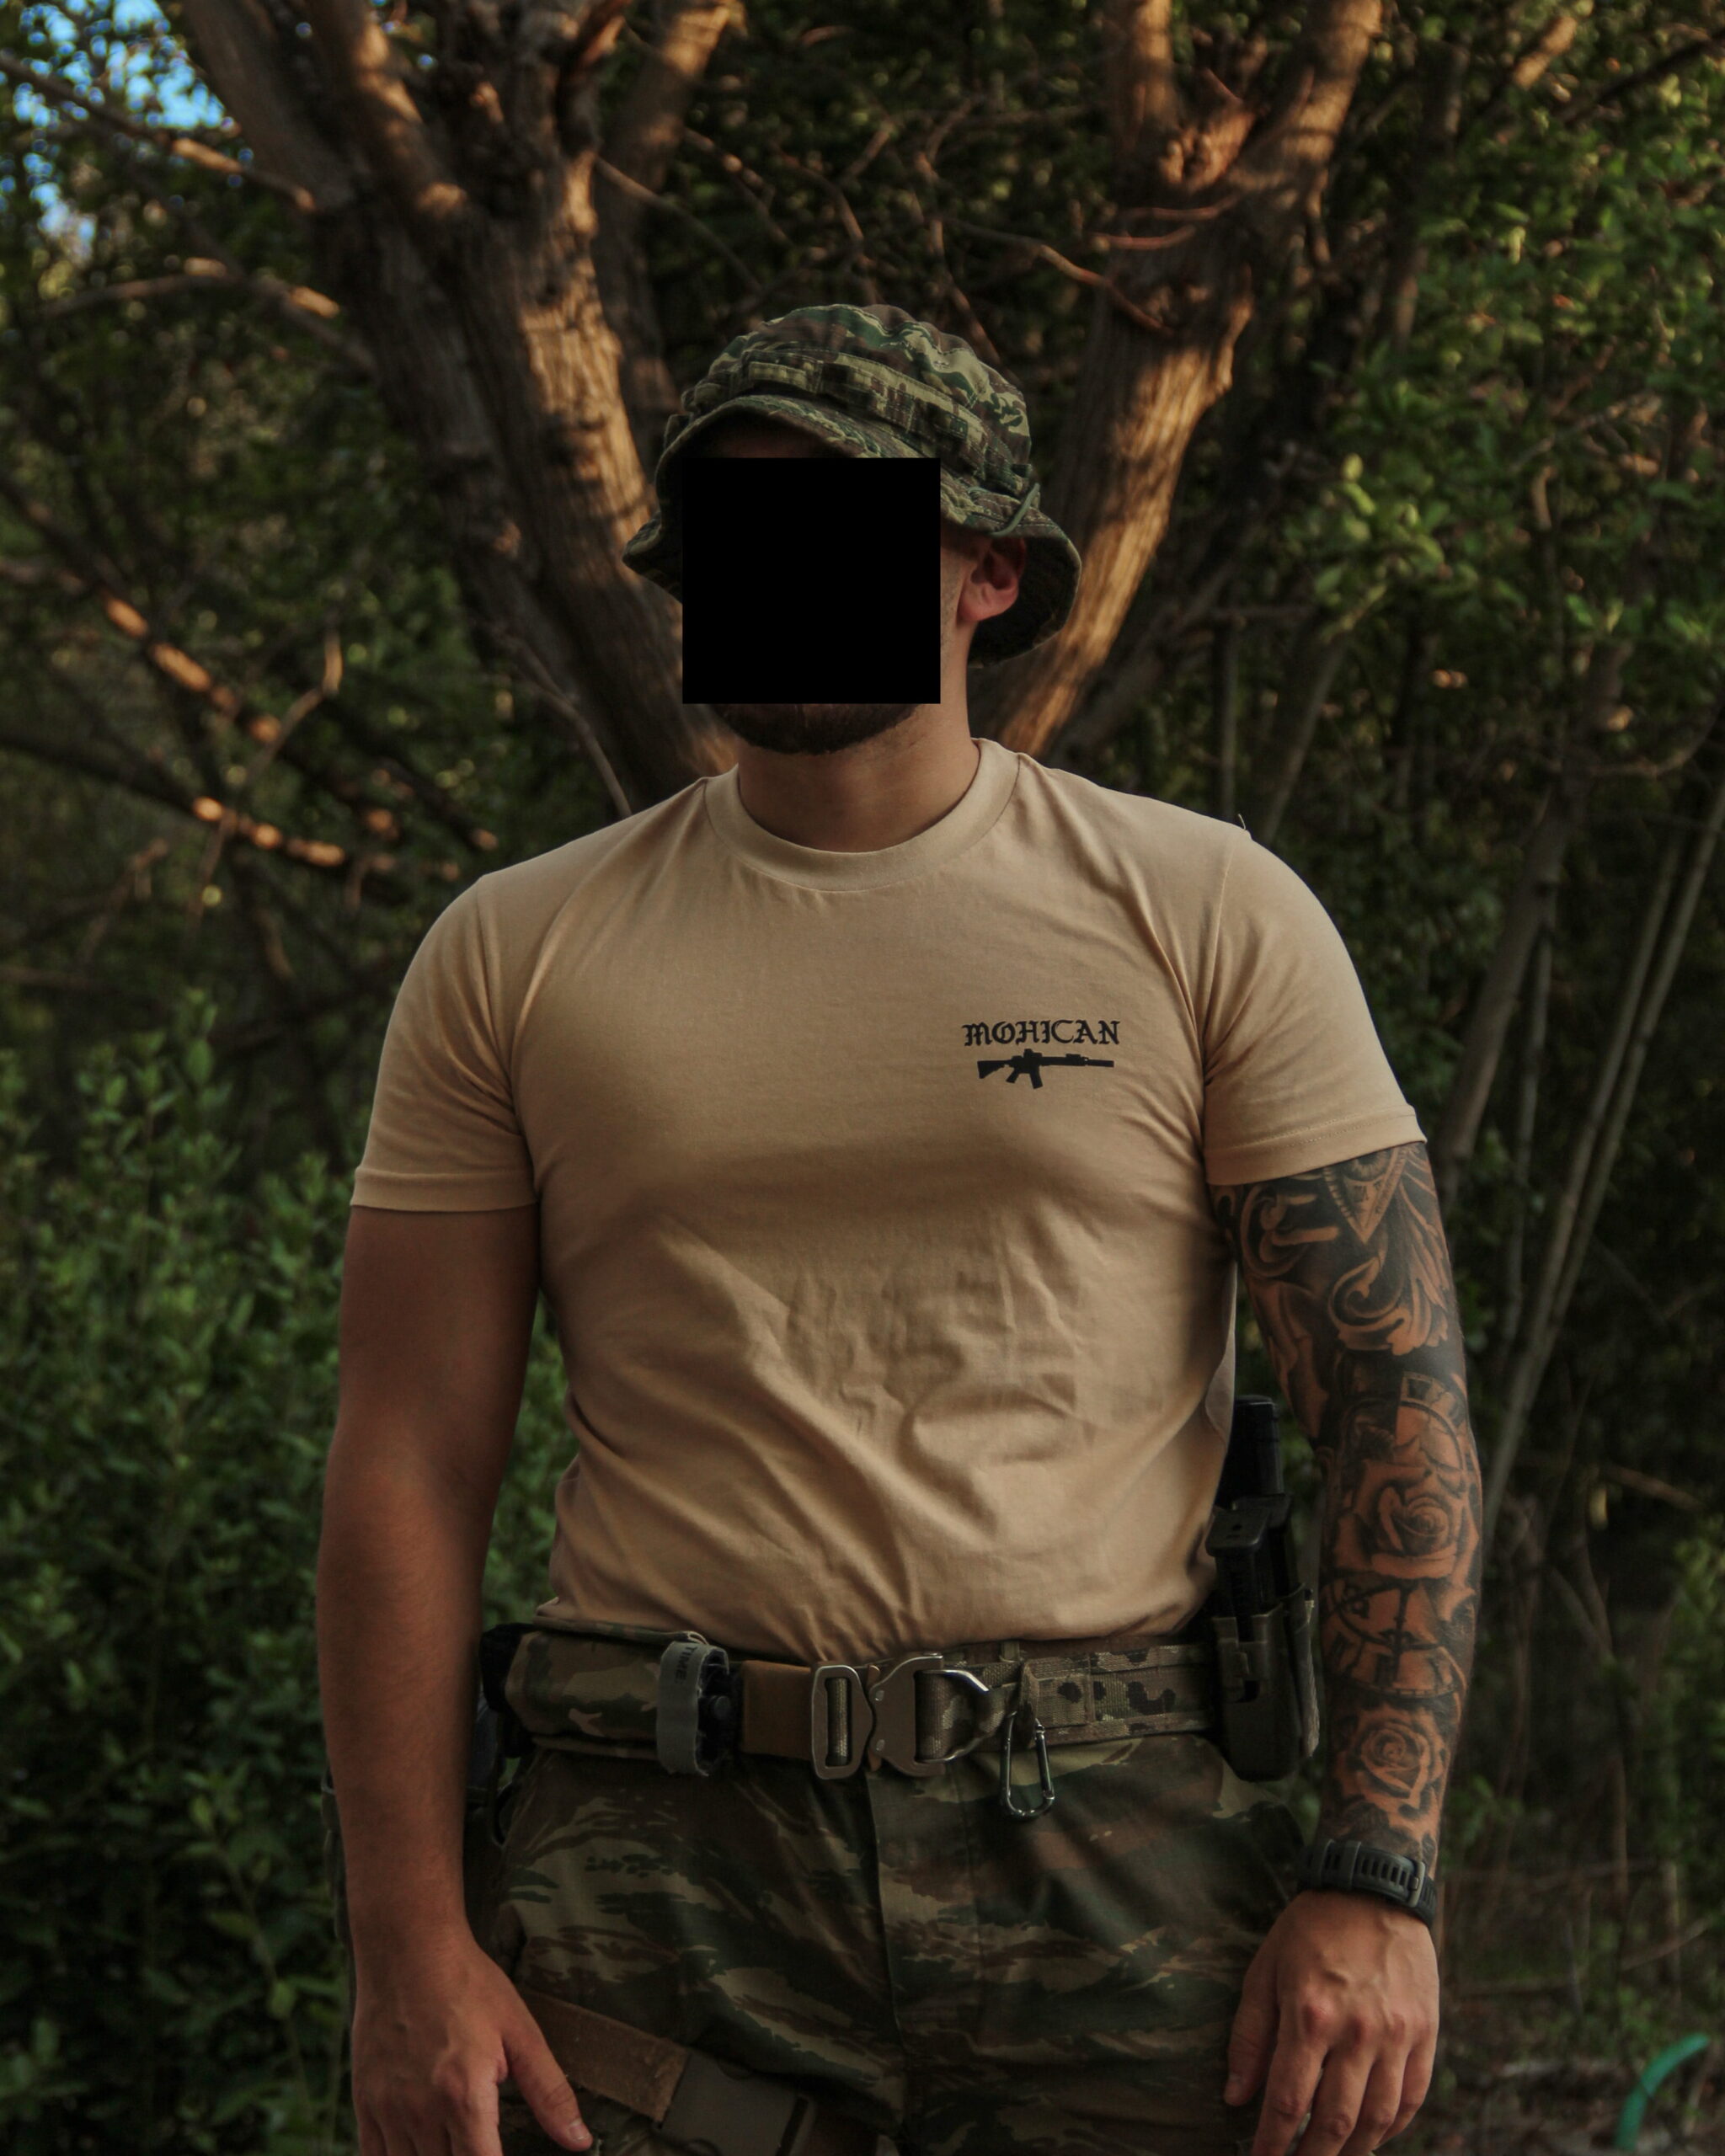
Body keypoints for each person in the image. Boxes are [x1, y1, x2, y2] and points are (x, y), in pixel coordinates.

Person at [318, 304, 1481, 2156]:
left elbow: (1393, 1398)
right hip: (653, 1870)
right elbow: (404, 1458)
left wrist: (1377, 1870)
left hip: (1119, 1853)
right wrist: (404, 1946)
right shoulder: (515, 952)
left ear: (985, 571)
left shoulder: (1206, 910)